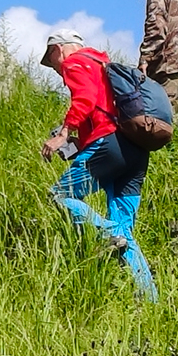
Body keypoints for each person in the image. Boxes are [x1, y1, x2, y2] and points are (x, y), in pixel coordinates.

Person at [40, 29, 158, 301]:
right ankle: (150, 299)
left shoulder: (74, 62)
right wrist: (80, 143)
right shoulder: (102, 64)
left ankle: (108, 231)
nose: (56, 69)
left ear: (58, 50)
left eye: (52, 61)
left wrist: (62, 135)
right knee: (125, 230)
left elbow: (85, 98)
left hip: (109, 142)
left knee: (59, 195)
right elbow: (100, 105)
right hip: (135, 150)